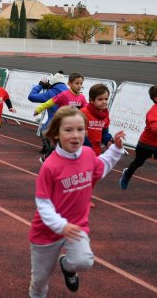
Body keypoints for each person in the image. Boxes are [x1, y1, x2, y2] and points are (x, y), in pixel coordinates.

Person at [28, 107, 125, 298]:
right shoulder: (50, 166)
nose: (75, 135)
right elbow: (43, 202)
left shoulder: (88, 154)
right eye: (68, 130)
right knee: (40, 281)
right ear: (56, 133)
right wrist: (60, 225)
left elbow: (101, 167)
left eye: (80, 129)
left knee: (83, 261)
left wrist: (116, 149)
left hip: (77, 225)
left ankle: (67, 266)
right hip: (46, 231)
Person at [35, 73, 88, 162]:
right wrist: (39, 109)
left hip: (73, 125)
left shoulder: (81, 97)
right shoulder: (65, 94)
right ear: (69, 84)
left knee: (70, 144)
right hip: (62, 123)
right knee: (61, 143)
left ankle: (60, 160)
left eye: (81, 83)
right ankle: (46, 158)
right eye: (77, 83)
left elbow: (86, 109)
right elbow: (51, 102)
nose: (79, 86)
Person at [120, 85, 157, 190]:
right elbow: (155, 128)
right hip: (146, 143)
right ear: (156, 98)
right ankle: (126, 175)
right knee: (138, 162)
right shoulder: (154, 111)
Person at [29, 71, 68, 154]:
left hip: (55, 119)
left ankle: (48, 150)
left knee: (44, 131)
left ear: (52, 83)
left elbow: (31, 97)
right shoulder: (68, 92)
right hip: (69, 120)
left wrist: (40, 85)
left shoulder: (50, 93)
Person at [81, 84, 113, 156]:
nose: (104, 102)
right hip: (81, 150)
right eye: (100, 99)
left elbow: (104, 133)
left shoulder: (105, 115)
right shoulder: (83, 113)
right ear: (92, 100)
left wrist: (108, 141)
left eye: (106, 99)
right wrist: (88, 149)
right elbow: (79, 134)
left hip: (96, 152)